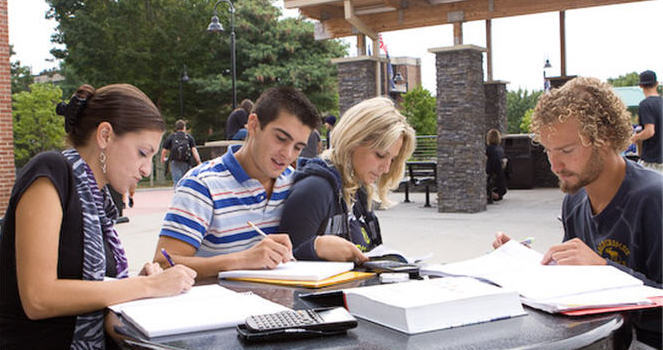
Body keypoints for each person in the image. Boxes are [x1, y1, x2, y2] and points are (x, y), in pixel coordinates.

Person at [0, 84, 196, 349]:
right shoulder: (51, 172)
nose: (146, 170)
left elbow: (90, 287)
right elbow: (38, 298)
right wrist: (148, 287)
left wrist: (143, 281)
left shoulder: (98, 201)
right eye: (142, 153)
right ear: (104, 135)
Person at [491, 77, 662, 349]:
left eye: (567, 151)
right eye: (548, 151)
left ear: (604, 138)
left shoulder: (654, 199)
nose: (555, 165)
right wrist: (525, 262)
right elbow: (573, 285)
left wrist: (605, 270)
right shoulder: (575, 200)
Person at [154, 86, 320, 278]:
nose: (287, 154)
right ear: (253, 124)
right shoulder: (201, 184)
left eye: (298, 148)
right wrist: (242, 260)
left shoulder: (292, 183)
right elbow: (163, 263)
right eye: (281, 138)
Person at [280, 97, 416, 262]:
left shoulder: (359, 189)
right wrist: (316, 248)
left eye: (392, 160)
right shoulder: (315, 189)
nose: (386, 168)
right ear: (353, 141)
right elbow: (285, 262)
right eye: (380, 155)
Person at [632, 70, 662, 172]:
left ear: (641, 86)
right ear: (657, 84)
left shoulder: (645, 104)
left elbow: (649, 131)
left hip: (652, 161)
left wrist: (635, 138)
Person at [161, 119, 202, 187]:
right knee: (186, 179)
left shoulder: (172, 137)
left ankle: (177, 194)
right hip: (186, 161)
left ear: (176, 128)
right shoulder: (188, 137)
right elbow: (194, 150)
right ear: (184, 127)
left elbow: (164, 150)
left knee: (176, 180)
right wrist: (198, 161)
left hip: (174, 161)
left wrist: (162, 159)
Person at [485, 129, 508, 202]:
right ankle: (493, 194)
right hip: (499, 176)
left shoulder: (488, 149)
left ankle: (489, 194)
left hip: (491, 173)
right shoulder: (500, 149)